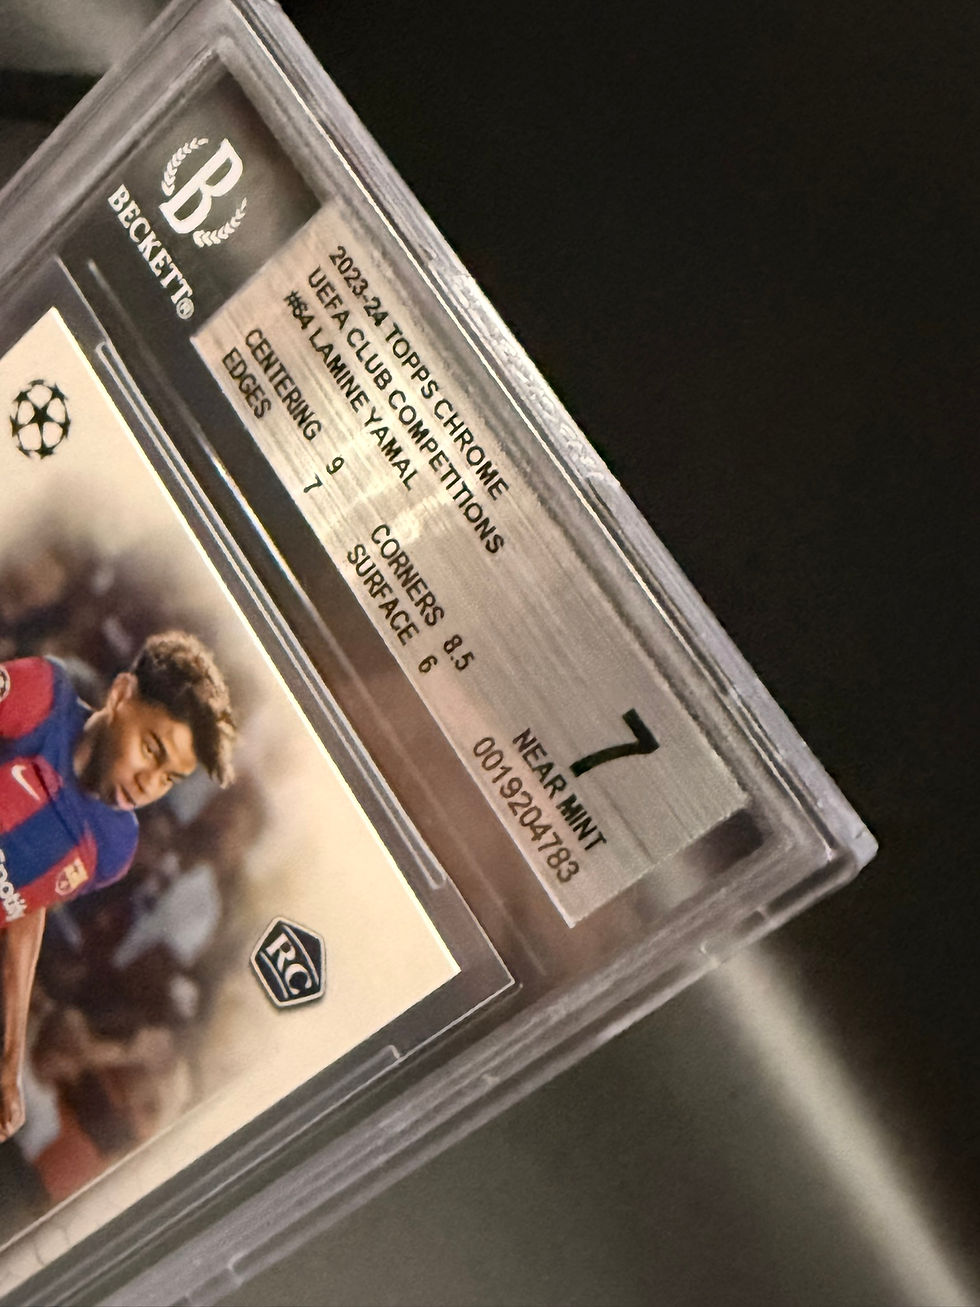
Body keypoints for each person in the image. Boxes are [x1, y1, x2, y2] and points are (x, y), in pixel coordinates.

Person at [0, 631, 235, 1141]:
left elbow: (25, 904)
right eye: (151, 749)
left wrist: (10, 1059)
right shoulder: (41, 693)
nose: (150, 783)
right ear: (122, 694)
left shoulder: (112, 848)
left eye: (169, 778)